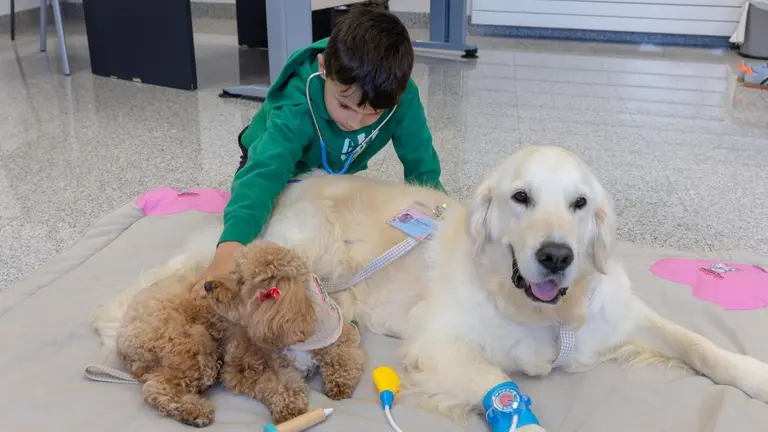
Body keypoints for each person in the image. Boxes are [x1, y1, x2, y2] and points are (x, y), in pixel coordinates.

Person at [195, 7, 445, 289]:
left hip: (333, 173)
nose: (354, 122)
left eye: (372, 114)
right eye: (344, 105)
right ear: (323, 68)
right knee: (274, 227)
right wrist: (229, 248)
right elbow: (265, 172)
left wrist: (439, 215)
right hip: (278, 165)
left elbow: (421, 162)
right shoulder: (297, 103)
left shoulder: (402, 98)